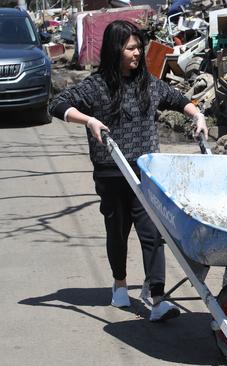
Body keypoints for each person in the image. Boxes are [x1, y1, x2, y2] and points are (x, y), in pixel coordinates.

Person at [49, 20, 208, 322]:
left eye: (139, 48)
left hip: (146, 173)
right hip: (111, 173)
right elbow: (57, 105)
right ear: (115, 50)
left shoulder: (148, 83)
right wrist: (90, 121)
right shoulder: (94, 87)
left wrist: (197, 115)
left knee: (154, 233)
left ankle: (158, 300)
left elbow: (178, 100)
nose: (137, 53)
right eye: (131, 48)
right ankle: (120, 284)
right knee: (118, 232)